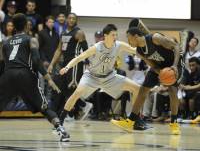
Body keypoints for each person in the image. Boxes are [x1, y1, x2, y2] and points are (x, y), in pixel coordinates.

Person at [0, 13, 69, 142]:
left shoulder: (5, 42)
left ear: (13, 26)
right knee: (44, 107)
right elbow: (37, 61)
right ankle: (61, 130)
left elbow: (2, 62)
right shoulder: (31, 39)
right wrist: (49, 79)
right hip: (25, 75)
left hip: (8, 75)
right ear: (27, 25)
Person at [58, 24, 140, 124]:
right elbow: (79, 57)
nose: (115, 37)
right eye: (113, 35)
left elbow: (136, 51)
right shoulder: (96, 47)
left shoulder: (119, 45)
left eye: (116, 35)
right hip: (92, 76)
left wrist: (149, 49)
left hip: (110, 77)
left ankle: (134, 119)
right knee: (77, 93)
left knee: (137, 88)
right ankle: (60, 121)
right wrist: (67, 67)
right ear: (105, 36)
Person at [111, 27, 186, 135]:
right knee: (143, 90)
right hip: (159, 66)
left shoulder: (155, 38)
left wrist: (174, 66)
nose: (128, 41)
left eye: (129, 38)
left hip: (175, 63)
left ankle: (174, 123)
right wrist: (161, 72)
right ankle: (130, 121)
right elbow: (153, 66)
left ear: (136, 36)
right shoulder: (139, 51)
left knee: (172, 90)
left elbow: (176, 46)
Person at [48, 13, 91, 121]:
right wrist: (52, 64)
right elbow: (59, 50)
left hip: (76, 64)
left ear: (76, 21)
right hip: (65, 64)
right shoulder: (63, 33)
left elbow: (86, 49)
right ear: (67, 20)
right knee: (62, 86)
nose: (71, 20)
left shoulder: (79, 32)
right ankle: (80, 108)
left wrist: (89, 62)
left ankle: (81, 106)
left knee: (72, 88)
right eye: (70, 18)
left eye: (73, 18)